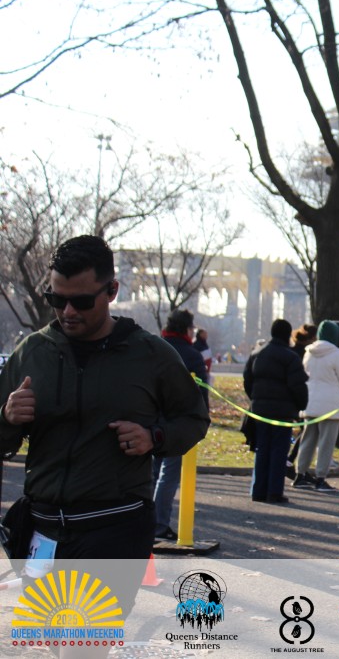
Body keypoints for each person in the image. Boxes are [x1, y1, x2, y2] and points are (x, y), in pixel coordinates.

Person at [0, 235, 209, 632]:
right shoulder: (32, 353)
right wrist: (7, 417)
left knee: (83, 641)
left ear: (111, 291)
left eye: (81, 301)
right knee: (60, 638)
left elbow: (194, 418)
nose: (67, 311)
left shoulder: (150, 355)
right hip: (44, 530)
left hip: (115, 528)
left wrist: (154, 438)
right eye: (56, 299)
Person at [154, 308, 210, 541]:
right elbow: (201, 391)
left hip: (150, 417)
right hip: (177, 422)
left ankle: (143, 521)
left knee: (150, 473)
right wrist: (203, 418)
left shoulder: (154, 348)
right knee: (169, 474)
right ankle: (159, 524)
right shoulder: (192, 354)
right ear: (187, 329)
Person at [243, 319, 309, 503]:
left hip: (260, 410)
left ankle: (258, 490)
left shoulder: (257, 354)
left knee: (262, 449)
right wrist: (301, 405)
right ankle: (274, 491)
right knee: (279, 451)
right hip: (283, 411)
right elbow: (298, 385)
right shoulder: (290, 357)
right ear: (288, 335)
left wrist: (255, 399)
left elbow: (247, 380)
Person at [294, 320, 339, 493]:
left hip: (310, 401)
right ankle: (320, 478)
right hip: (331, 405)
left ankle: (300, 474)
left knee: (308, 439)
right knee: (326, 443)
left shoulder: (308, 353)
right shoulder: (336, 354)